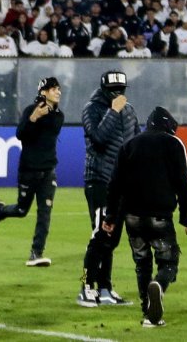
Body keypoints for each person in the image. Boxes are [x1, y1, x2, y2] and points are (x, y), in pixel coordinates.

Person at [102, 106, 187, 328]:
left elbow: (115, 184)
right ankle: (159, 285)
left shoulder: (129, 145)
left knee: (142, 264)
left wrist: (111, 216)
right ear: (168, 126)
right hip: (159, 217)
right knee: (169, 262)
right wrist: (186, 214)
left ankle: (148, 315)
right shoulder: (173, 143)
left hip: (132, 217)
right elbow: (183, 181)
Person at [77, 70, 140, 307]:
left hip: (121, 184)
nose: (118, 95)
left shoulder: (130, 110)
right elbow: (98, 138)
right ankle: (85, 285)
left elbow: (135, 143)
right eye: (114, 91)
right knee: (100, 235)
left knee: (111, 239)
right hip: (99, 180)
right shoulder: (91, 109)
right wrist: (113, 111)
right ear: (104, 90)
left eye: (121, 91)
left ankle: (104, 288)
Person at [0, 76, 63, 267]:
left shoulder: (58, 115)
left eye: (58, 89)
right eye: (54, 89)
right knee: (22, 210)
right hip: (28, 170)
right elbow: (21, 134)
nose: (58, 92)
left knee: (44, 213)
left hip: (48, 172)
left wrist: (42, 117)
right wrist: (33, 118)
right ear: (43, 92)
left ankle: (36, 253)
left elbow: (49, 130)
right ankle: (0, 212)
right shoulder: (30, 111)